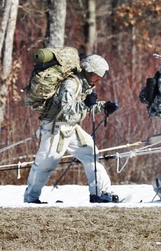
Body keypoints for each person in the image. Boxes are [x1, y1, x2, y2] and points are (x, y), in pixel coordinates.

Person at [24, 53, 120, 204]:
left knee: (91, 153)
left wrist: (103, 106)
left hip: (71, 128)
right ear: (89, 71)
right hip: (56, 128)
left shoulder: (85, 84)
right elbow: (68, 110)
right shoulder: (71, 84)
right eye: (97, 75)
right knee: (45, 165)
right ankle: (31, 198)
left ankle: (100, 193)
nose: (99, 79)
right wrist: (86, 104)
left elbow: (83, 107)